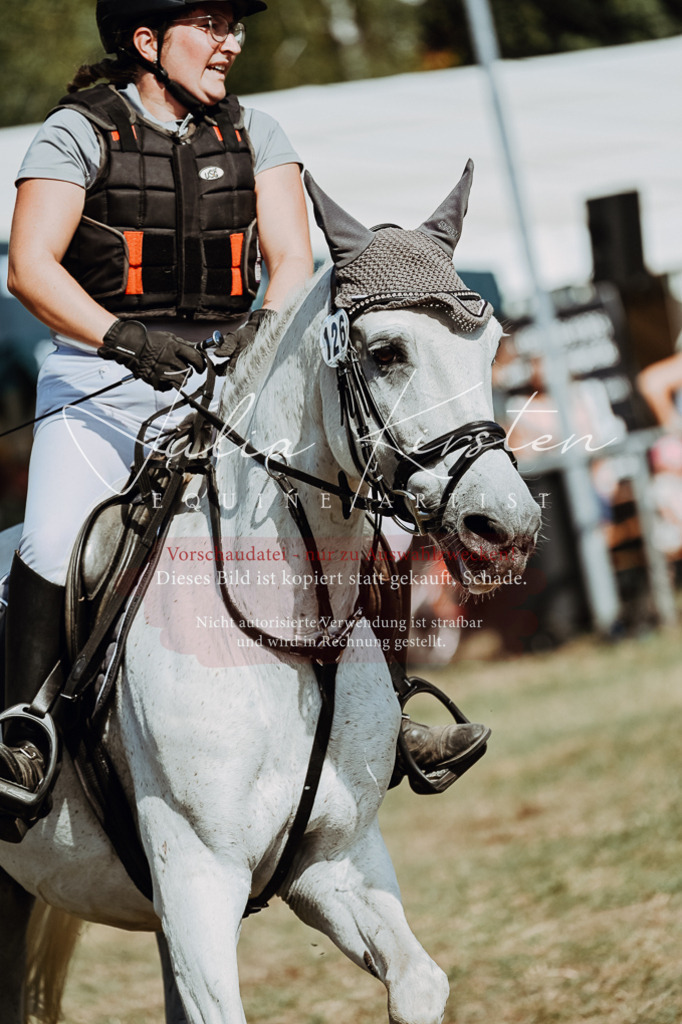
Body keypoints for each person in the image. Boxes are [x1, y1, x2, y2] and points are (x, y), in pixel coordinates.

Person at [0, 0, 487, 840]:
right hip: (101, 381)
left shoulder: (259, 132)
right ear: (147, 41)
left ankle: (393, 711)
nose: (232, 42)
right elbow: (29, 266)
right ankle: (25, 730)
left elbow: (292, 262)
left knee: (380, 530)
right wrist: (123, 336)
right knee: (49, 538)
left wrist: (252, 357)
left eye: (235, 25)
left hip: (223, 380)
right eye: (211, 25)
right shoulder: (76, 132)